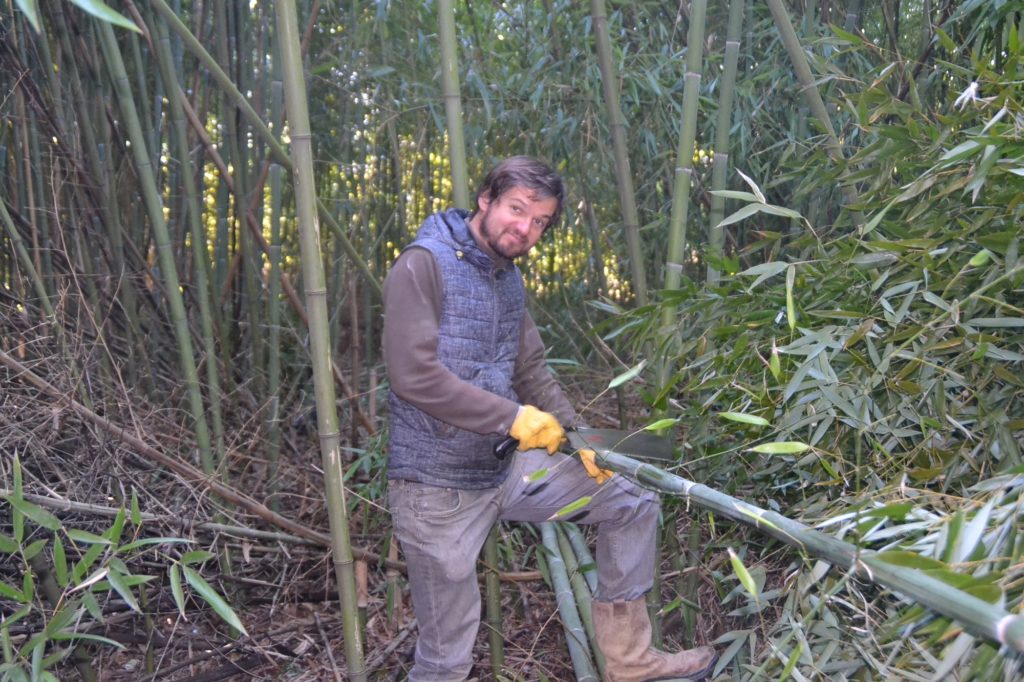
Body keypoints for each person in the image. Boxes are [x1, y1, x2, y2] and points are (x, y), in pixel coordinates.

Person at [382, 156, 717, 681]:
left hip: (504, 472)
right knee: (448, 653)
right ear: (486, 199)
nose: (527, 228)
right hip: (435, 489)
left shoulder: (506, 279)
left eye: (540, 221)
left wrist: (581, 439)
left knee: (632, 497)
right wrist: (512, 417)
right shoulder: (421, 264)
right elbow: (414, 377)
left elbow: (532, 370)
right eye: (517, 210)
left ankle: (630, 662)